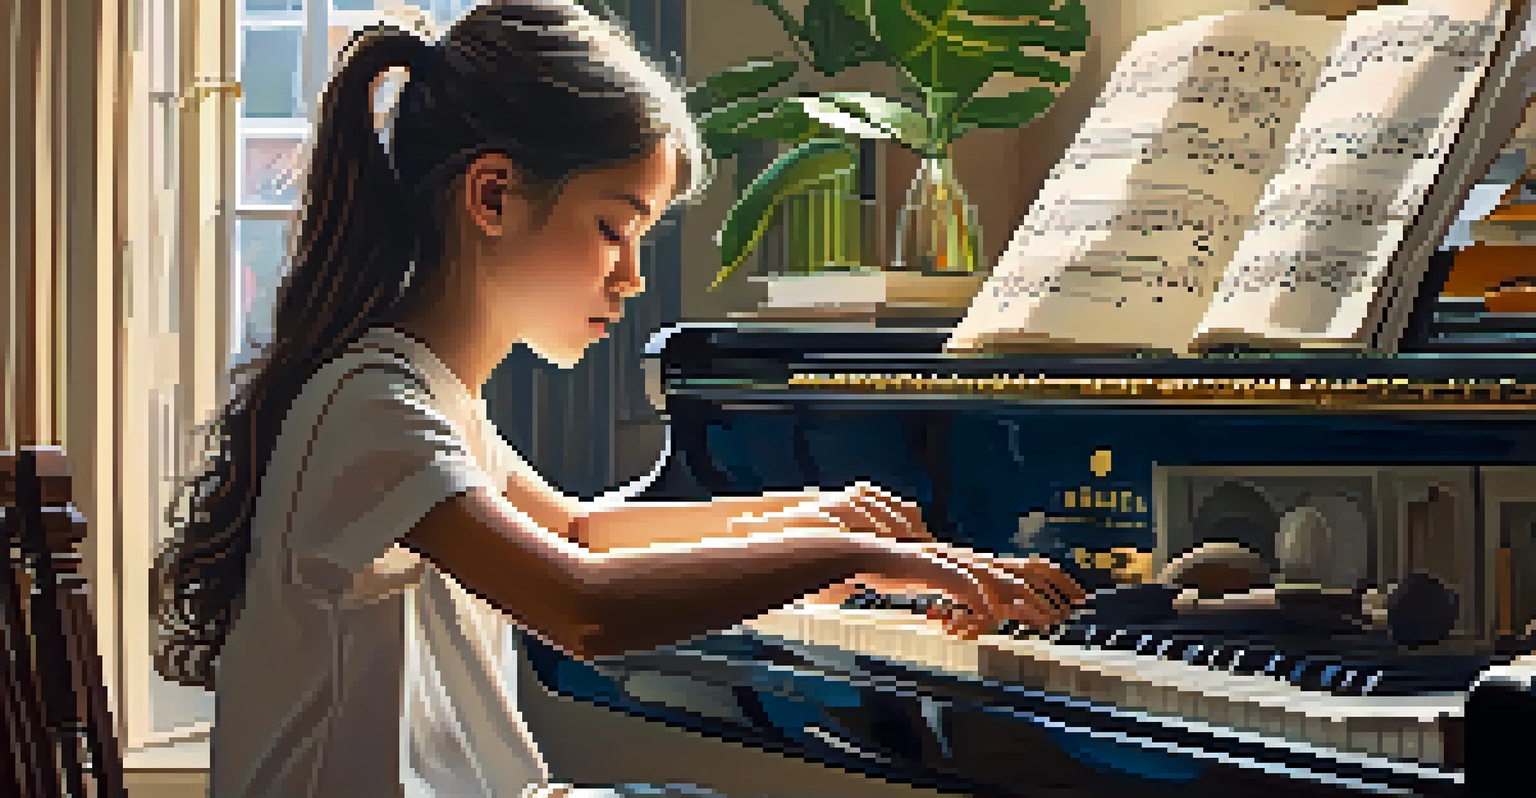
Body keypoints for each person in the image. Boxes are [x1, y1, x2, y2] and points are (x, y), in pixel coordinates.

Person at [149, 3, 1085, 797]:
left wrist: (803, 514)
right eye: (612, 228)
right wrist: (844, 552)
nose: (633, 276)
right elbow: (581, 602)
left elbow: (581, 531)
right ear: (492, 196)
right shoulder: (373, 405)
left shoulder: (419, 393)